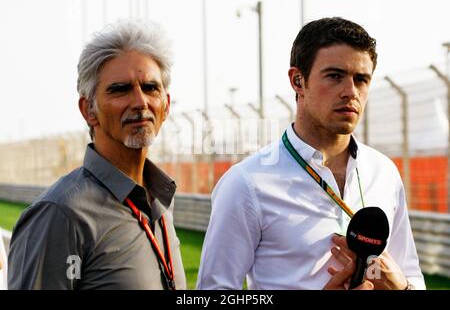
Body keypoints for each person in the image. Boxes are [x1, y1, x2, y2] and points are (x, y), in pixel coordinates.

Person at [197, 17, 425, 290]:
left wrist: (403, 288)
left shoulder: (384, 172)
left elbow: (411, 275)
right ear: (298, 81)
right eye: (335, 76)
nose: (350, 92)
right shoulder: (246, 183)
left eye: (361, 79)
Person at [7, 20, 186, 290]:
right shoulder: (60, 214)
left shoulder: (160, 202)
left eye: (151, 87)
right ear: (89, 110)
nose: (140, 102)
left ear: (166, 105)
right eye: (120, 89)